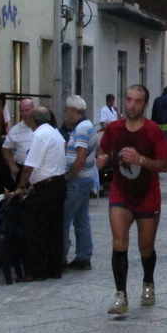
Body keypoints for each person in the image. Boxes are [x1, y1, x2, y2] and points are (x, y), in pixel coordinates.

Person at [96, 85, 167, 315]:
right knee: (119, 242)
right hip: (121, 191)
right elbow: (103, 149)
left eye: (137, 101)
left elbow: (165, 165)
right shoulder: (114, 128)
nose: (131, 105)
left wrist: (141, 160)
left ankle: (148, 282)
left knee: (145, 247)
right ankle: (121, 296)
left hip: (148, 194)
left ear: (145, 105)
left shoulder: (153, 131)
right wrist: (101, 159)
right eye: (128, 99)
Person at [12, 107, 67, 281]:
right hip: (58, 183)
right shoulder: (55, 133)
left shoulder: (39, 135)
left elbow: (30, 165)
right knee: (54, 228)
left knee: (36, 228)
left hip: (46, 187)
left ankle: (37, 269)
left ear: (32, 120)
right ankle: (54, 267)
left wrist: (21, 186)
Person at [60, 96, 98, 271]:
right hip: (86, 177)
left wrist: (69, 177)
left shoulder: (81, 129)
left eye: (66, 110)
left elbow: (80, 158)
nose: (65, 114)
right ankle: (84, 256)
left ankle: (60, 256)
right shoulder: (88, 125)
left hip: (78, 179)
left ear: (72, 110)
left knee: (64, 218)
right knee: (82, 219)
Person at [2, 98, 35, 185]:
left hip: (40, 171)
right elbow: (5, 148)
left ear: (33, 110)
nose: (24, 114)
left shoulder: (42, 127)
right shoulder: (15, 130)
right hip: (23, 169)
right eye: (22, 111)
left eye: (27, 110)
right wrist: (12, 165)